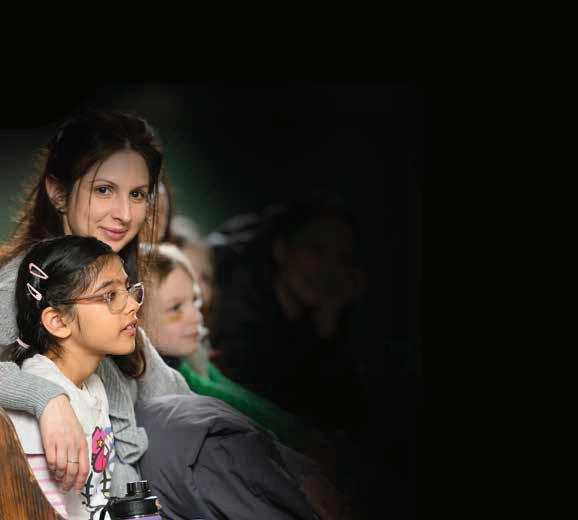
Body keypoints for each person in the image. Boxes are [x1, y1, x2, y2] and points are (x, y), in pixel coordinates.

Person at [0, 109, 190, 497]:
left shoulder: (116, 290)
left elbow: (175, 397)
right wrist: (47, 399)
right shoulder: (22, 285)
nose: (124, 215)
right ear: (58, 193)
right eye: (104, 190)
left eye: (137, 194)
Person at [140, 242, 328, 454]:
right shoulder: (169, 380)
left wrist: (305, 435)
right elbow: (229, 404)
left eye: (194, 301)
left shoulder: (183, 360)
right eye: (175, 308)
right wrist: (308, 440)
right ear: (137, 317)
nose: (196, 316)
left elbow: (240, 398)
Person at [206, 194, 368, 436]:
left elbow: (343, 415)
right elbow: (252, 406)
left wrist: (328, 326)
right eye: (316, 250)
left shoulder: (332, 310)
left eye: (342, 257)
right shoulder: (235, 299)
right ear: (281, 249)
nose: (329, 268)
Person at [6, 235, 143, 519]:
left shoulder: (92, 385)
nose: (132, 304)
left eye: (128, 289)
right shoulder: (41, 404)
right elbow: (36, 511)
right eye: (110, 295)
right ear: (58, 321)